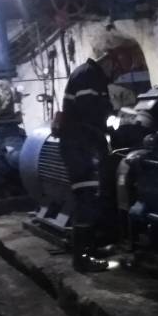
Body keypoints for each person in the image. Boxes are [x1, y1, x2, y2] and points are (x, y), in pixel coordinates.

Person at [58, 46, 133, 273]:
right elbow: (92, 114)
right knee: (87, 199)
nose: (116, 76)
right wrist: (116, 122)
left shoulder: (91, 76)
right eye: (118, 70)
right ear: (110, 61)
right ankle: (82, 258)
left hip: (84, 145)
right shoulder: (88, 76)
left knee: (92, 198)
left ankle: (90, 248)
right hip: (80, 146)